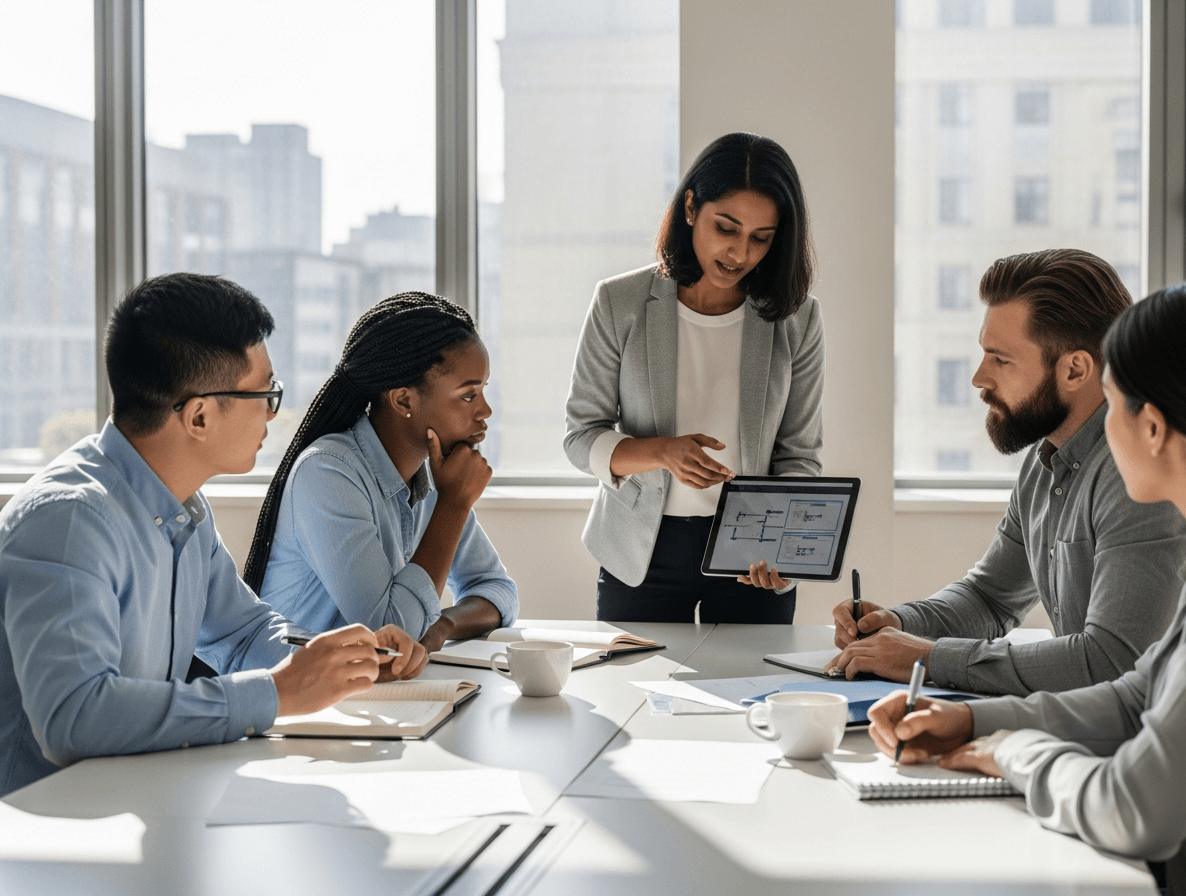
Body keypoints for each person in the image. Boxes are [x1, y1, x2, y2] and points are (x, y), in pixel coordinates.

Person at [868, 279, 1186, 895]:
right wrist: (969, 722)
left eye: (1113, 404)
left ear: (1154, 429)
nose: (1102, 432)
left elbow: (1136, 809)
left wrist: (1013, 752)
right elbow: (1136, 698)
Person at [0, 273, 427, 798]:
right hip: (41, 838)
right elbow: (74, 720)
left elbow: (242, 633)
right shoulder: (69, 521)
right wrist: (276, 693)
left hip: (137, 798)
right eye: (265, 392)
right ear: (199, 415)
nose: (274, 410)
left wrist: (338, 659)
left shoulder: (182, 505)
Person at [830, 249, 1186, 694]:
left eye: (1001, 360)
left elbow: (1113, 661)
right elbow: (990, 597)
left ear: (1075, 369)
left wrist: (925, 657)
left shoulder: (1138, 475)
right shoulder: (1045, 459)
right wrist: (899, 623)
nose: (978, 378)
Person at [564, 132, 823, 623]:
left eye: (761, 238)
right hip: (640, 551)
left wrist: (787, 548)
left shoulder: (798, 319)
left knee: (752, 696)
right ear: (690, 208)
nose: (740, 253)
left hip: (753, 553)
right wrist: (662, 452)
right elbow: (581, 437)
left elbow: (799, 455)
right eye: (726, 228)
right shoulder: (619, 302)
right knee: (631, 694)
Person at [244, 293, 517, 653]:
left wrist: (443, 625)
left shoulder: (435, 478)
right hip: (307, 701)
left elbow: (497, 590)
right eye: (468, 396)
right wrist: (454, 504)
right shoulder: (328, 473)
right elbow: (388, 630)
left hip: (375, 694)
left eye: (482, 390)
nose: (486, 411)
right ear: (404, 400)